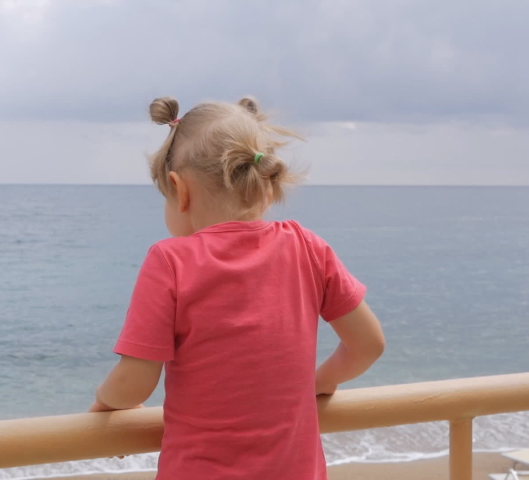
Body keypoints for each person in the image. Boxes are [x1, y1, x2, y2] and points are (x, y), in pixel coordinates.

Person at [88, 96, 385, 479]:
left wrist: (103, 402)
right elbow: (368, 344)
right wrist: (319, 382)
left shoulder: (171, 261)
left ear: (180, 189)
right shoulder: (307, 247)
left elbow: (134, 384)